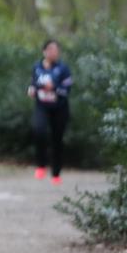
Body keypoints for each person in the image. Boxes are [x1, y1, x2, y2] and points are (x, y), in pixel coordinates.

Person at [26, 39, 73, 185]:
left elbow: (66, 90)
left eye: (56, 50)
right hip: (42, 106)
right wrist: (32, 90)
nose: (54, 53)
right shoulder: (37, 67)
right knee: (39, 130)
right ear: (44, 51)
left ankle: (56, 173)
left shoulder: (63, 69)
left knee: (57, 139)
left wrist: (54, 88)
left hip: (60, 108)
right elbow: (33, 84)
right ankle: (40, 165)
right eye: (51, 50)